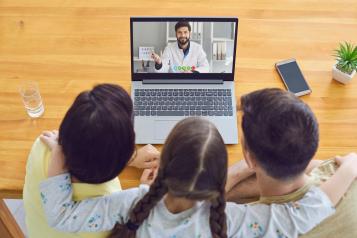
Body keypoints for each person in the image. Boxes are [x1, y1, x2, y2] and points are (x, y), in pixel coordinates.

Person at [38, 117, 357, 238]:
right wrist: (351, 166)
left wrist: (58, 152)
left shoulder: (133, 203)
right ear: (220, 180)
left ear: (164, 165)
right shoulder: (235, 220)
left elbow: (60, 215)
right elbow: (309, 212)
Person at [23, 84, 160, 238]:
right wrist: (145, 193)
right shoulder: (107, 217)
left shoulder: (41, 145)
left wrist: (129, 157)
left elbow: (89, 148)